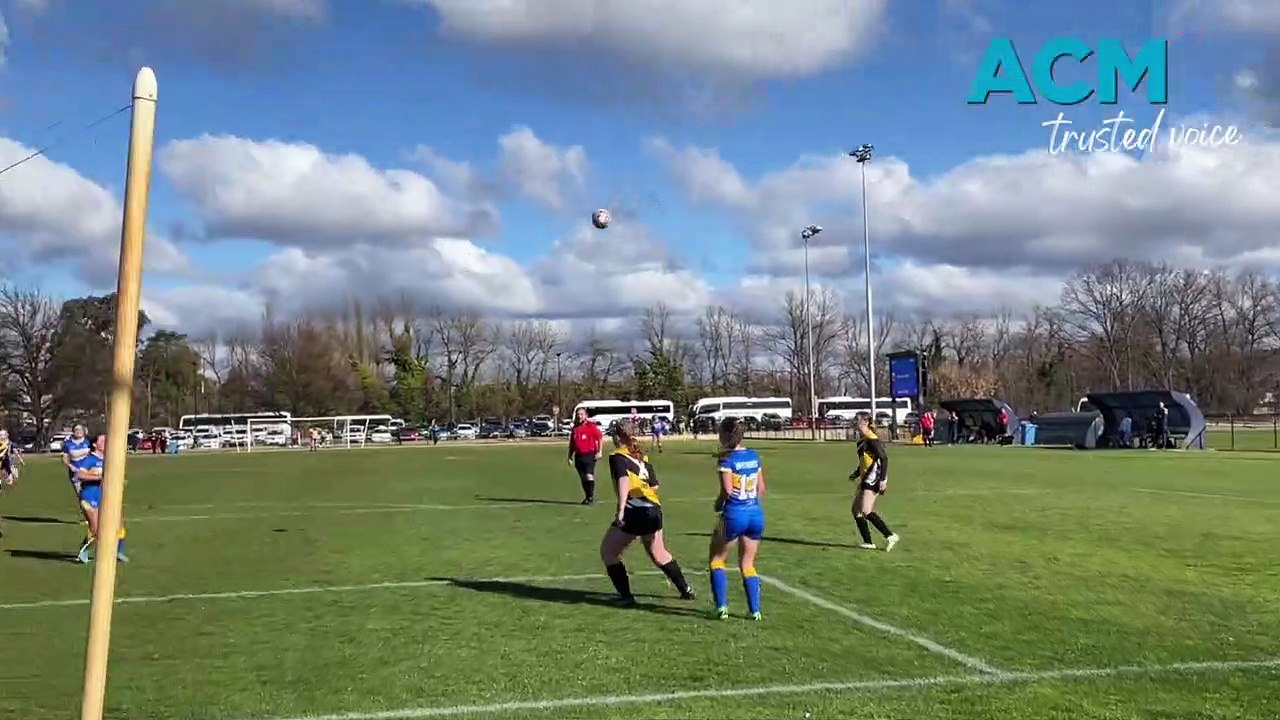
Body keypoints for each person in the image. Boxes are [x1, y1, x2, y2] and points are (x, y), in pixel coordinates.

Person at [599, 419, 695, 605]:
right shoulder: (641, 456)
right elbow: (655, 485)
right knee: (658, 553)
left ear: (616, 437)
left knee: (608, 553)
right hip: (654, 509)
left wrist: (620, 512)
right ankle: (686, 589)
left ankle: (626, 597)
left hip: (634, 511)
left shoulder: (617, 457)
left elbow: (623, 481)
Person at [708, 418, 765, 620]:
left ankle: (722, 607)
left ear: (724, 435)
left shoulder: (726, 459)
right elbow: (761, 489)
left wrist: (718, 504)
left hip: (734, 515)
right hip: (755, 514)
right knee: (748, 563)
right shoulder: (754, 456)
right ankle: (755, 610)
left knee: (717, 559)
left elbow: (727, 490)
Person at [73, 434, 128, 564]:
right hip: (89, 497)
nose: (106, 442)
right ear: (95, 444)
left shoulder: (109, 460)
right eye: (102, 440)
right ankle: (84, 550)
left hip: (107, 498)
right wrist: (100, 478)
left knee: (119, 524)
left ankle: (118, 552)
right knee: (96, 529)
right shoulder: (90, 459)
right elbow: (80, 474)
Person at [849, 414, 899, 552]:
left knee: (866, 510)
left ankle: (890, 535)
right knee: (856, 511)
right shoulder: (861, 442)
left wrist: (883, 479)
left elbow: (884, 459)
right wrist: (856, 473)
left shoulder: (872, 439)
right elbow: (865, 462)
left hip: (873, 479)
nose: (855, 423)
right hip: (866, 478)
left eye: (858, 420)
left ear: (866, 422)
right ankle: (868, 542)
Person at [567, 408, 603, 505]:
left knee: (589, 475)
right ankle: (587, 497)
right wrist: (570, 456)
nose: (580, 416)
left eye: (582, 414)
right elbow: (572, 444)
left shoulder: (591, 426)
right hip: (578, 456)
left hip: (589, 454)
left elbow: (599, 438)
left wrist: (599, 451)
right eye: (578, 414)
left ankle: (590, 497)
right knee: (583, 478)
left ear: (586, 415)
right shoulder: (575, 428)